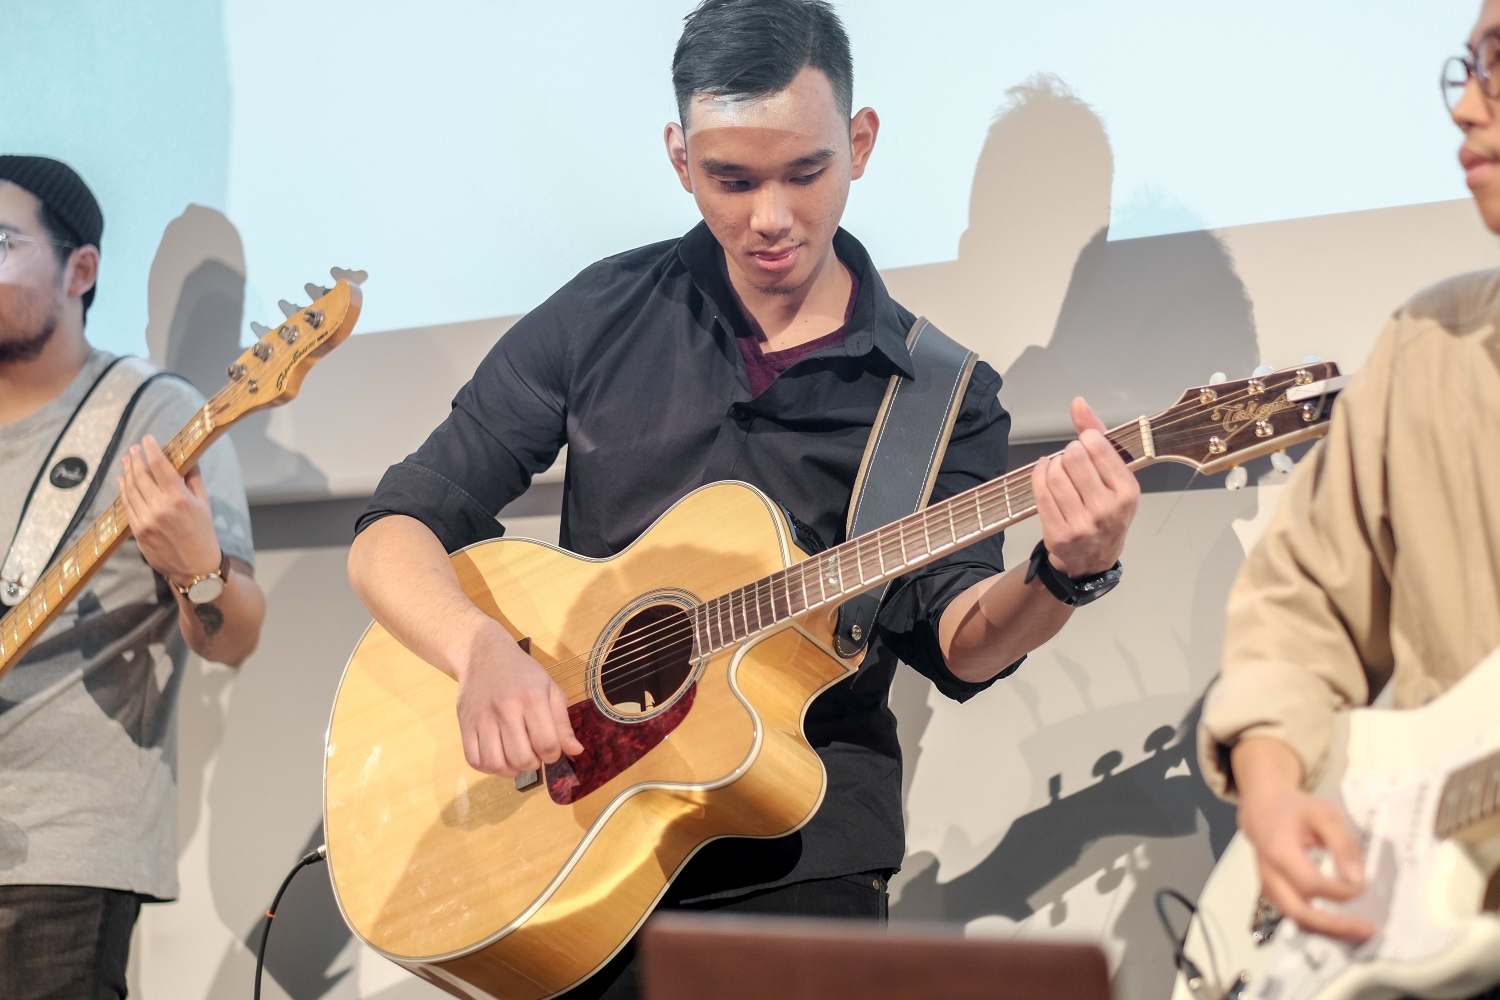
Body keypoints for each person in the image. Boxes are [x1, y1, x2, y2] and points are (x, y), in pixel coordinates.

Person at [348, 2, 1138, 996]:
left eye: (806, 172)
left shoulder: (939, 396)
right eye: (733, 179)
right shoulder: (600, 315)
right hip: (572, 841)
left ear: (860, 144)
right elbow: (397, 529)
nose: (772, 216)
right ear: (681, 160)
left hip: (796, 862)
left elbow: (963, 640)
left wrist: (1068, 572)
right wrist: (479, 651)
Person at [1199, 0, 1500, 950]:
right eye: (1468, 66)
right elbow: (1299, 608)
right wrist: (1271, 786)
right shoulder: (1426, 345)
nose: (1465, 107)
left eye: (1498, 62)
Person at [0, 156, 265, 998]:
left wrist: (198, 571)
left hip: (54, 854)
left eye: (1, 243)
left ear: (80, 270)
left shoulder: (152, 415)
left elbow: (236, 635)